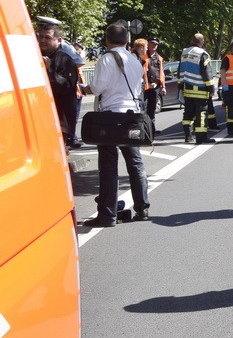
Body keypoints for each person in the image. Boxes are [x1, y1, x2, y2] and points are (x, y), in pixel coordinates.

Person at [81, 23, 150, 226]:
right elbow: (138, 87)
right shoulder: (135, 60)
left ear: (107, 39)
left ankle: (107, 214)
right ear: (127, 40)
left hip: (111, 118)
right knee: (135, 164)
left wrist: (86, 88)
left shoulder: (106, 59)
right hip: (132, 116)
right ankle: (142, 208)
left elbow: (97, 87)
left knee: (109, 167)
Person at [36, 22, 80, 149]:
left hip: (59, 118)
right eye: (41, 36)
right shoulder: (37, 55)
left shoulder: (65, 60)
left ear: (58, 40)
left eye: (48, 37)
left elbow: (66, 87)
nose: (43, 40)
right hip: (41, 115)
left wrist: (49, 71)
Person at [179, 33, 215, 144]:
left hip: (187, 89)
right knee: (201, 114)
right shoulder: (202, 54)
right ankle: (201, 138)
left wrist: (180, 85)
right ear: (202, 41)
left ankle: (188, 137)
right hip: (200, 89)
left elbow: (180, 70)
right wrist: (211, 88)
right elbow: (207, 73)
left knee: (188, 113)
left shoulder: (184, 52)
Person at [143, 37, 166, 131]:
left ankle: (151, 129)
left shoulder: (159, 58)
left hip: (154, 87)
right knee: (143, 107)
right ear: (148, 44)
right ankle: (144, 128)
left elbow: (161, 73)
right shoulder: (143, 56)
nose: (154, 46)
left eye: (156, 44)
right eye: (152, 43)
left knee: (152, 109)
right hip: (144, 86)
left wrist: (162, 86)